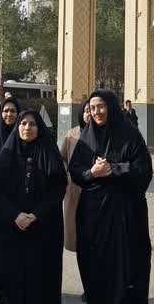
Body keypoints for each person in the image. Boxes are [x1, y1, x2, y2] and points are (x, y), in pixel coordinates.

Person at [68, 89, 154, 304]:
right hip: (93, 215)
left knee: (128, 265)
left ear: (112, 107)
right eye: (92, 108)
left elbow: (143, 171)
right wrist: (92, 173)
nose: (97, 112)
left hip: (126, 214)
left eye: (101, 106)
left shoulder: (130, 135)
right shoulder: (87, 137)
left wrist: (113, 169)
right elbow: (75, 170)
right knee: (95, 265)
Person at [0, 110, 68, 304]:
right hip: (11, 229)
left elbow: (58, 189)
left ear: (39, 128)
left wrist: (36, 215)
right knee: (12, 280)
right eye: (23, 123)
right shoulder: (5, 156)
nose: (28, 128)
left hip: (43, 229)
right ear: (17, 127)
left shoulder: (49, 153)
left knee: (40, 281)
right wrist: (15, 215)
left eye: (33, 124)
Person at [61, 104, 92, 253]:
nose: (89, 114)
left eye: (92, 110)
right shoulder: (71, 134)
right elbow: (62, 158)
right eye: (86, 111)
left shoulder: (106, 134)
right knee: (74, 225)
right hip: (74, 187)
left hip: (96, 188)